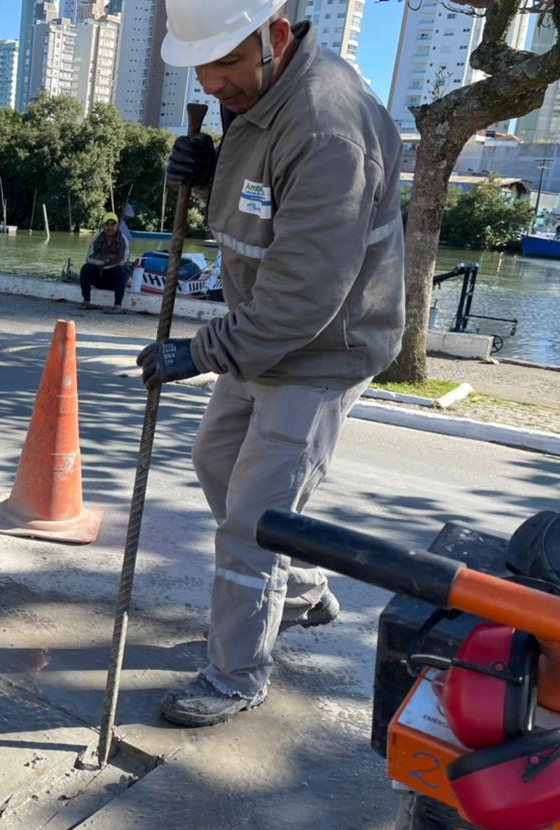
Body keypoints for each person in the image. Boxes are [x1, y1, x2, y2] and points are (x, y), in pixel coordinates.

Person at [136, 0, 405, 726]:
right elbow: (264, 198)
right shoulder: (266, 92)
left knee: (253, 520)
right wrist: (215, 163)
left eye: (226, 63)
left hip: (319, 348)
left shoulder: (327, 126)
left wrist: (198, 352)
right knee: (216, 460)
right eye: (203, 66)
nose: (213, 82)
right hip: (265, 336)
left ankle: (234, 676)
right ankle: (305, 591)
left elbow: (304, 294)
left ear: (276, 36)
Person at [79, 212, 131, 314]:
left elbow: (123, 260)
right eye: (107, 224)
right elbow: (89, 258)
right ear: (103, 225)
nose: (110, 227)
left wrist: (101, 260)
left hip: (114, 278)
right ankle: (86, 301)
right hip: (99, 275)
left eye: (113, 224)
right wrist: (107, 258)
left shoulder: (123, 240)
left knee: (120, 271)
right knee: (85, 268)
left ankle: (117, 306)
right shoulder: (96, 238)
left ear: (117, 226)